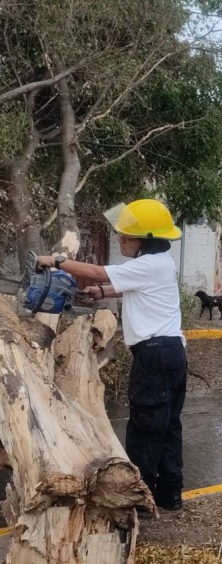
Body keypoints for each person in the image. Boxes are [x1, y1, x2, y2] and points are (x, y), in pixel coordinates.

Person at [37, 199, 186, 511]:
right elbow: (132, 286)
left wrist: (55, 261)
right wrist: (102, 292)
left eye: (126, 237)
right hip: (173, 353)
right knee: (168, 425)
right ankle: (169, 495)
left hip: (154, 357)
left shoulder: (146, 264)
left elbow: (94, 271)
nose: (121, 240)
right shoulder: (161, 263)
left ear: (145, 239)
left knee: (145, 427)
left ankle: (135, 503)